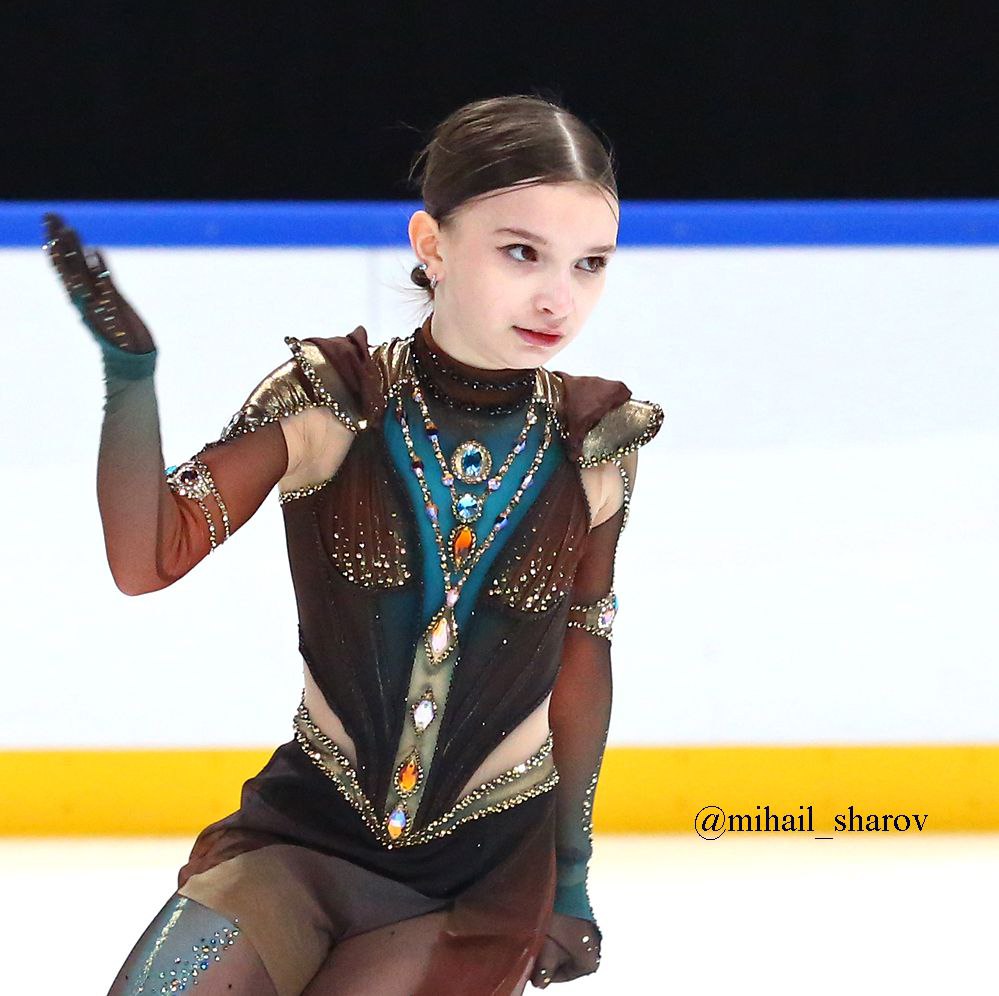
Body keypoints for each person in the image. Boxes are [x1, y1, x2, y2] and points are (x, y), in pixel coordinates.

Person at [44, 93, 664, 995]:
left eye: (589, 264)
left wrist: (570, 878)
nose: (556, 297)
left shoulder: (593, 444)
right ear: (432, 244)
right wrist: (129, 380)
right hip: (303, 840)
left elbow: (581, 657)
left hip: (476, 882)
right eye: (521, 252)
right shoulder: (330, 401)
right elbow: (147, 560)